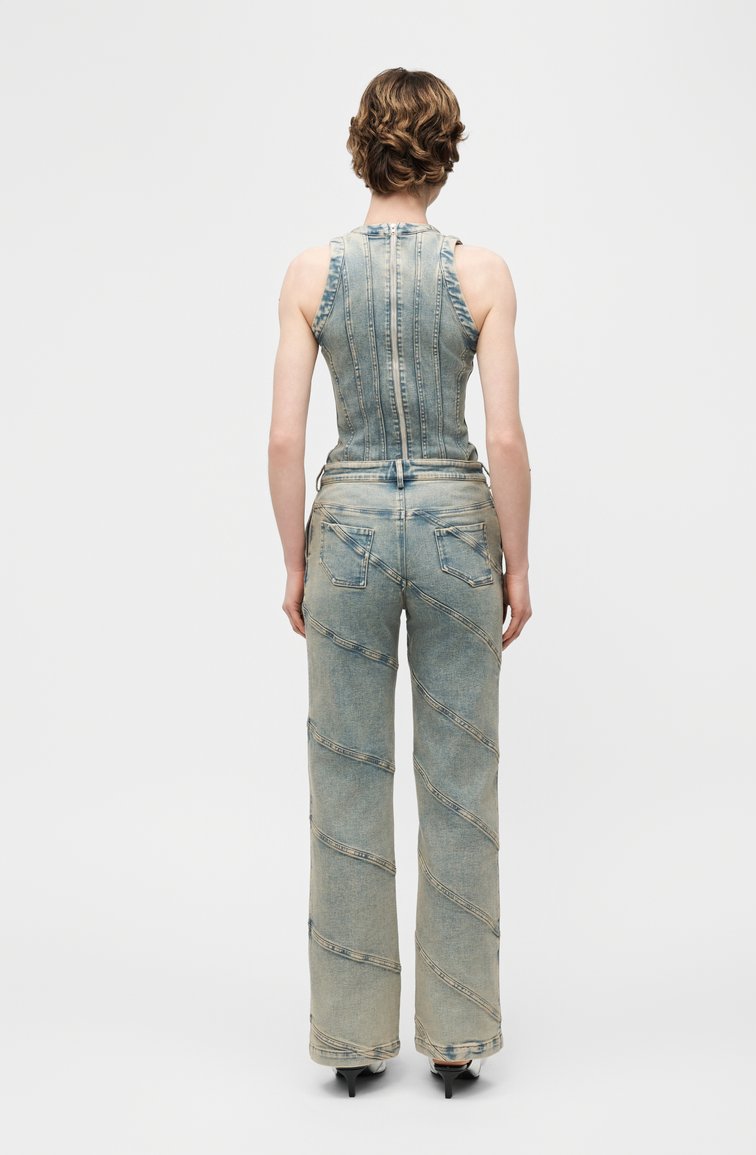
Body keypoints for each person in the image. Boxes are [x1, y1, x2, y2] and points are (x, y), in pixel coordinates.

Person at [268, 67, 532, 1098]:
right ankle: (457, 1040)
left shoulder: (310, 273)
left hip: (347, 524)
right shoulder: (482, 272)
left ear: (361, 149)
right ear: (444, 154)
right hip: (459, 519)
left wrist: (295, 558)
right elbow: (502, 438)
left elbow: (284, 437)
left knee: (346, 775)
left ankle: (352, 1039)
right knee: (460, 780)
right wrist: (518, 559)